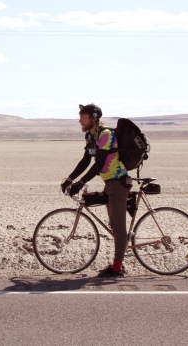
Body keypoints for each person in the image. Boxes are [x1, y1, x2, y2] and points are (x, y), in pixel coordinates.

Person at [60, 103, 132, 277]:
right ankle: (119, 262)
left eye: (82, 117)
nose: (79, 120)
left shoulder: (106, 135)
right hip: (109, 183)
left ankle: (117, 268)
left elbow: (99, 163)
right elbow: (86, 161)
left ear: (93, 118)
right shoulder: (91, 136)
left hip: (118, 183)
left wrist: (80, 182)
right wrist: (70, 180)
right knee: (114, 225)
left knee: (119, 228)